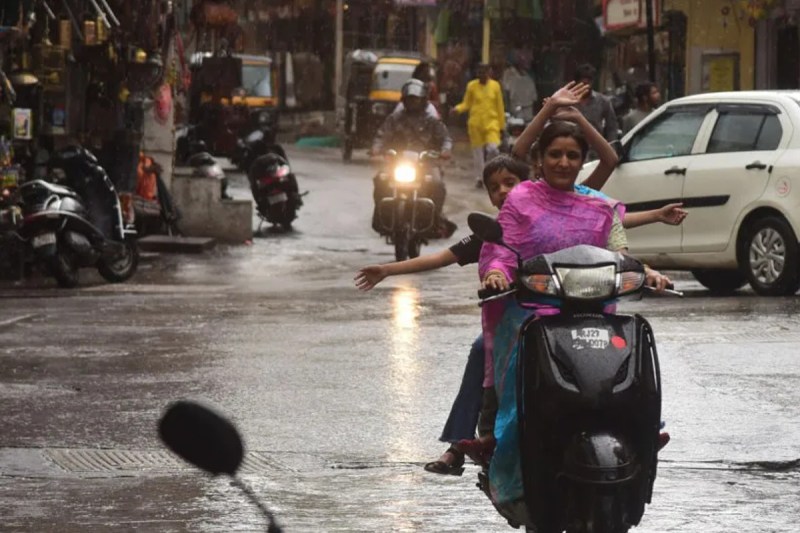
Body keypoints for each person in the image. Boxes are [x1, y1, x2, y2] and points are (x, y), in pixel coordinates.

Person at [470, 86, 671, 507]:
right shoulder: (521, 198)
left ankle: (642, 427)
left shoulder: (599, 207)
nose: (564, 162)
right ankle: (503, 449)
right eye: (555, 155)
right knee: (508, 392)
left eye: (573, 156)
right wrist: (493, 275)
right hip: (533, 315)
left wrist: (647, 273)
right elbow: (502, 251)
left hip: (593, 315)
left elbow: (621, 254)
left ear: (582, 162)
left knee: (635, 351)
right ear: (540, 161)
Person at [371, 79, 456, 238]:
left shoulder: (431, 120)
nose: (412, 102)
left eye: (415, 99)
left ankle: (434, 221)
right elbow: (381, 135)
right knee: (380, 180)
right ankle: (382, 219)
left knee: (437, 184)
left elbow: (446, 138)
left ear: (423, 100)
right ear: (404, 100)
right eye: (409, 99)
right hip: (398, 162)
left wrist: (445, 150)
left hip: (425, 162)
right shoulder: (395, 118)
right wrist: (376, 148)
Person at [454, 64, 505, 188]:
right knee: (478, 153)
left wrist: (502, 126)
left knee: (493, 149)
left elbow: (500, 106)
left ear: (489, 73)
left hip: (492, 123)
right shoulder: (472, 86)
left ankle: (489, 172)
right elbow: (466, 103)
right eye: (480, 72)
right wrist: (457, 109)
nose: (482, 75)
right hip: (475, 124)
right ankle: (480, 178)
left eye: (484, 72)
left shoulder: (495, 86)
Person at [573, 63, 619, 147]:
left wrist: (611, 148)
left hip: (594, 150)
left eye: (588, 83)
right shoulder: (567, 101)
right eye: (583, 83)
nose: (586, 87)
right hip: (572, 145)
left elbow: (612, 127)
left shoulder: (603, 101)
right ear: (577, 82)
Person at [501, 51, 537, 122]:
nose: (528, 61)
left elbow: (533, 95)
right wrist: (507, 109)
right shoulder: (509, 73)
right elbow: (506, 91)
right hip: (515, 107)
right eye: (524, 60)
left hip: (528, 107)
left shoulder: (530, 75)